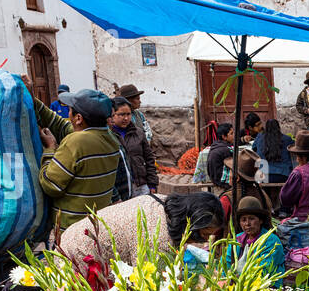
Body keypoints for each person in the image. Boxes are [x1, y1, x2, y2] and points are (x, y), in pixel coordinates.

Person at [59, 192, 225, 279]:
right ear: (191, 224)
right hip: (77, 258)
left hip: (72, 236)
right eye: (203, 235)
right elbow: (150, 283)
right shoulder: (158, 239)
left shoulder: (162, 202)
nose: (203, 241)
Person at [33, 88, 121, 233]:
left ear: (78, 118)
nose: (68, 113)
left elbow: (51, 186)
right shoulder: (110, 138)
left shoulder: (75, 142)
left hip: (72, 230)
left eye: (70, 110)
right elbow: (61, 125)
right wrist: (34, 100)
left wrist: (50, 148)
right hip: (95, 225)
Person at [108, 97, 157, 200]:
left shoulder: (138, 133)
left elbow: (149, 159)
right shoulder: (108, 136)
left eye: (128, 114)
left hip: (141, 186)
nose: (126, 118)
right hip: (121, 189)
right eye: (121, 114)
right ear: (112, 115)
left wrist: (152, 184)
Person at [227, 195, 286, 279]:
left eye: (251, 219)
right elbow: (226, 263)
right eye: (243, 220)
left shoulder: (271, 241)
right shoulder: (236, 240)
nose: (247, 224)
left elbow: (264, 270)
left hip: (265, 285)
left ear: (260, 220)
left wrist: (239, 279)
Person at [253, 118, 293, 184]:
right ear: (278, 128)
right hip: (283, 175)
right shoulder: (287, 139)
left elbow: (254, 148)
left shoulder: (260, 137)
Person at [205, 123, 234, 188]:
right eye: (231, 134)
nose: (234, 135)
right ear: (224, 137)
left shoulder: (216, 145)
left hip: (213, 177)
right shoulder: (226, 149)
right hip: (220, 180)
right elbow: (232, 165)